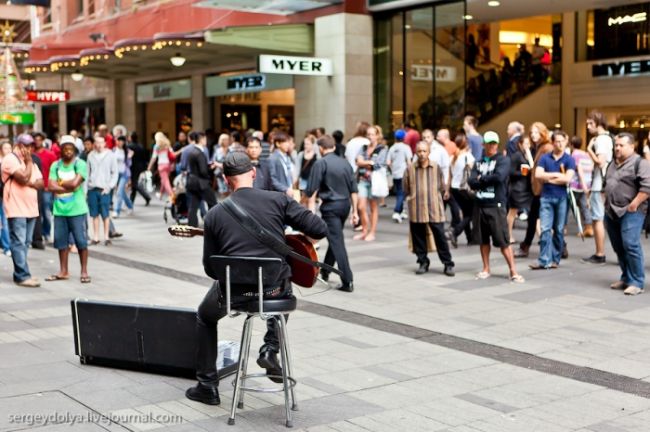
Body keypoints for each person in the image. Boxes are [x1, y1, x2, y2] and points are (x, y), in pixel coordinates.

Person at [185, 152, 328, 405]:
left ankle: (207, 386)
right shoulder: (278, 200)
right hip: (273, 292)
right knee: (284, 283)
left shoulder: (214, 214)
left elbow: (211, 269)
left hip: (234, 294)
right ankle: (270, 348)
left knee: (204, 317)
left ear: (226, 180)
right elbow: (319, 229)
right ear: (253, 172)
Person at [468, 131, 524, 283]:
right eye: (489, 143)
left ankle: (513, 271)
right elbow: (471, 182)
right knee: (483, 240)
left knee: (503, 240)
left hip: (496, 205)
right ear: (483, 144)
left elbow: (499, 177)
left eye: (494, 143)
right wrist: (483, 180)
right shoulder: (478, 162)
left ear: (497, 144)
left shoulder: (503, 160)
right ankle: (486, 268)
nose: (492, 146)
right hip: (480, 205)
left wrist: (481, 179)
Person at [305, 135, 359, 292]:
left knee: (337, 241)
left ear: (321, 148)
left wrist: (301, 201)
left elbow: (311, 189)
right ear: (334, 147)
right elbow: (354, 189)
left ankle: (347, 280)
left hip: (330, 207)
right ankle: (326, 271)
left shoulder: (320, 163)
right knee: (335, 238)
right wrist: (355, 211)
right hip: (345, 205)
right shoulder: (345, 163)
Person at [604, 133, 650, 295]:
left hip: (632, 211)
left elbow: (647, 188)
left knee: (630, 244)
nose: (617, 148)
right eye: (616, 145)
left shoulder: (641, 163)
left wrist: (634, 204)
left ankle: (637, 282)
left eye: (621, 145)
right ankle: (626, 277)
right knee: (618, 246)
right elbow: (606, 183)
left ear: (632, 146)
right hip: (611, 211)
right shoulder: (612, 164)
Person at [404, 141, 455, 276]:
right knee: (419, 238)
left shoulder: (436, 167)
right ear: (416, 152)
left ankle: (448, 264)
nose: (422, 154)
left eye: (424, 151)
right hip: (417, 207)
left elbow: (441, 185)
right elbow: (406, 187)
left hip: (434, 208)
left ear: (429, 152)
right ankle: (423, 262)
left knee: (440, 237)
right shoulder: (410, 169)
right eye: (419, 151)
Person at [46, 136, 90, 283]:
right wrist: (67, 185)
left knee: (81, 241)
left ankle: (84, 271)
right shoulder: (55, 165)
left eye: (71, 149)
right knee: (61, 242)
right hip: (59, 210)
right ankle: (63, 271)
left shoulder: (80, 164)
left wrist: (59, 183)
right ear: (61, 150)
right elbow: (50, 186)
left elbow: (75, 184)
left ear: (75, 150)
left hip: (77, 210)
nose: (68, 151)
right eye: (65, 148)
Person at [2, 134, 44, 287]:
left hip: (31, 209)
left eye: (30, 145)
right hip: (16, 207)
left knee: (26, 242)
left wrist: (30, 180)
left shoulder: (30, 161)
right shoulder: (10, 159)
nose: (28, 148)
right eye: (25, 145)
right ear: (17, 145)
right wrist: (29, 162)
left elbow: (41, 183)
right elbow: (24, 178)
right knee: (18, 242)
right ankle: (22, 276)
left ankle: (21, 272)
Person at [529, 131, 575, 270]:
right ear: (553, 142)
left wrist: (548, 178)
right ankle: (544, 259)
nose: (560, 144)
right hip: (546, 197)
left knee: (559, 230)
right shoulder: (545, 158)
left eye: (562, 141)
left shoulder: (569, 159)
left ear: (566, 142)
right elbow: (538, 175)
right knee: (545, 229)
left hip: (562, 198)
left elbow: (567, 178)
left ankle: (555, 259)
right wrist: (557, 175)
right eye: (557, 141)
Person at [514, 122, 553, 258]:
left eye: (536, 132)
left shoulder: (546, 148)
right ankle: (558, 246)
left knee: (538, 219)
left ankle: (527, 246)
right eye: (532, 133)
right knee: (536, 218)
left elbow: (544, 167)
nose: (533, 135)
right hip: (539, 189)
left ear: (543, 133)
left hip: (543, 189)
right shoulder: (539, 147)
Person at [582, 110, 613, 265]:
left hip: (599, 184)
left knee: (597, 218)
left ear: (598, 123)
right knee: (598, 218)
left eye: (590, 123)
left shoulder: (600, 140)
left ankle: (600, 253)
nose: (588, 126)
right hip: (603, 183)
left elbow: (600, 162)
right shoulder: (607, 138)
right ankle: (600, 253)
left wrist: (589, 150)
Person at [355, 125, 388, 241]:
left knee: (373, 207)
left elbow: (378, 164)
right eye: (368, 134)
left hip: (375, 181)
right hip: (363, 180)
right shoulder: (364, 147)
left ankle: (372, 232)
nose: (370, 136)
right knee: (361, 207)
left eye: (372, 134)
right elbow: (358, 161)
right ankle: (364, 231)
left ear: (377, 135)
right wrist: (368, 163)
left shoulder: (382, 149)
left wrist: (364, 162)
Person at [87, 136, 118, 246]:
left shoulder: (110, 155)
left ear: (105, 143)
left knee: (105, 214)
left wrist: (109, 186)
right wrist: (86, 189)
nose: (99, 145)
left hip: (104, 189)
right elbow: (87, 173)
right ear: (94, 144)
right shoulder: (90, 155)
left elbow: (115, 172)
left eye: (101, 142)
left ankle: (106, 237)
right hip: (92, 188)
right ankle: (96, 237)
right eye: (97, 143)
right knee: (94, 214)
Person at [185, 131, 217, 227]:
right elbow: (203, 171)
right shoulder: (200, 153)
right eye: (205, 139)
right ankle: (212, 224)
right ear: (202, 139)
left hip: (192, 181)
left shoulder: (191, 152)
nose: (206, 141)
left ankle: (191, 225)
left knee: (193, 206)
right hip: (201, 183)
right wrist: (210, 169)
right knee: (213, 203)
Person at [449, 133, 475, 247]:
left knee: (466, 212)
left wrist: (447, 190)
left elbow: (450, 176)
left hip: (454, 188)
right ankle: (455, 232)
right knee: (470, 214)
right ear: (466, 144)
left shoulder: (452, 157)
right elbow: (473, 173)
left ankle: (469, 238)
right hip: (464, 188)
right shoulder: (468, 157)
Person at [507, 134, 534, 243]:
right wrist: (523, 173)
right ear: (520, 144)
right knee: (512, 212)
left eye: (529, 143)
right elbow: (510, 172)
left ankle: (540, 235)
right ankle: (508, 235)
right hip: (517, 188)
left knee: (534, 213)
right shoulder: (516, 156)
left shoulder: (529, 155)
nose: (528, 146)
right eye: (526, 143)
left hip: (527, 188)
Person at [33, 132, 57, 243]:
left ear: (43, 140)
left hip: (47, 188)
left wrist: (51, 185)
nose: (37, 142)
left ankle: (46, 232)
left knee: (47, 212)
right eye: (35, 140)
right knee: (37, 212)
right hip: (35, 187)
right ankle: (38, 233)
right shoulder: (32, 154)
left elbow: (55, 171)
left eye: (39, 139)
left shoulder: (50, 154)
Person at [569, 136, 594, 237]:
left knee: (570, 207)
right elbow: (591, 168)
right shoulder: (586, 155)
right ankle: (589, 228)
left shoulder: (574, 155)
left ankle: (563, 228)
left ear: (571, 145)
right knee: (585, 207)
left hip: (576, 185)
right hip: (587, 184)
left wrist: (583, 184)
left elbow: (579, 171)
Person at [386, 129, 412, 223]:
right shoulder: (406, 147)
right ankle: (397, 211)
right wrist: (410, 172)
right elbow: (409, 161)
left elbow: (388, 162)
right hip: (403, 173)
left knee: (399, 192)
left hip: (395, 174)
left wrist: (392, 169)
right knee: (402, 193)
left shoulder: (392, 148)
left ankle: (400, 211)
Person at [147, 132, 175, 200]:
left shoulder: (156, 146)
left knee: (165, 181)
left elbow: (154, 157)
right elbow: (172, 154)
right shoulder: (167, 145)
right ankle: (161, 194)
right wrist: (172, 164)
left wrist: (149, 166)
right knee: (164, 180)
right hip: (168, 164)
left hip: (161, 165)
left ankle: (172, 195)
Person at [112, 136, 134, 218]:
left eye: (121, 141)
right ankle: (130, 206)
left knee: (119, 192)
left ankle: (116, 211)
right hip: (115, 174)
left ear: (124, 142)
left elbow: (129, 164)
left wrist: (129, 157)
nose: (120, 142)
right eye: (118, 140)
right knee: (122, 193)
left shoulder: (127, 151)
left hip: (124, 174)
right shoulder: (113, 150)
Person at [127, 132, 151, 206]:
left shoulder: (129, 146)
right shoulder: (140, 146)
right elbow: (145, 157)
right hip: (140, 167)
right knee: (134, 184)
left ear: (131, 137)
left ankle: (146, 197)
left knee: (135, 184)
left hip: (133, 167)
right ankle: (131, 201)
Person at [268, 132, 295, 197]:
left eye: (288, 142)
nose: (288, 144)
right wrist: (285, 189)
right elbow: (272, 179)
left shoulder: (287, 157)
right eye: (285, 142)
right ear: (278, 144)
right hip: (280, 194)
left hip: (290, 191)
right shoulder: (272, 158)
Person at [296, 134, 318, 213]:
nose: (306, 146)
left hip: (313, 181)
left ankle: (311, 217)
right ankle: (305, 217)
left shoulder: (317, 155)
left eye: (308, 144)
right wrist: (296, 180)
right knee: (303, 201)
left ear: (313, 144)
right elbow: (297, 168)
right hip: (303, 181)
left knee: (311, 200)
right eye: (305, 144)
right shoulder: (301, 154)